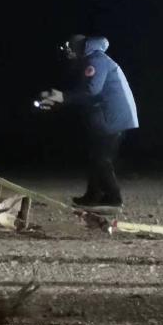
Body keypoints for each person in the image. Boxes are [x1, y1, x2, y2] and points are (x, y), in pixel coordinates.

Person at [39, 35, 138, 209]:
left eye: (69, 47)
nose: (67, 51)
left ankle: (114, 198)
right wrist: (58, 101)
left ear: (81, 47)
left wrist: (63, 97)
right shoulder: (93, 59)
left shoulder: (96, 60)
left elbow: (92, 91)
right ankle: (93, 195)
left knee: (102, 159)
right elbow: (85, 95)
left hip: (112, 116)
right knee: (95, 157)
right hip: (109, 115)